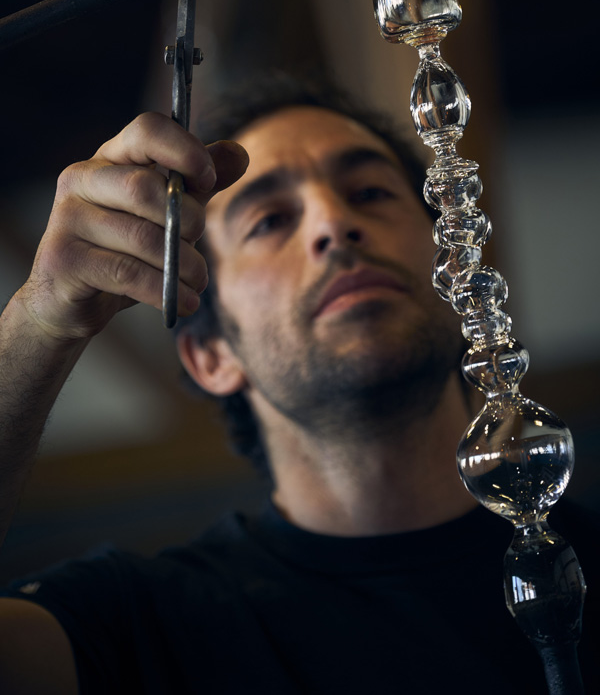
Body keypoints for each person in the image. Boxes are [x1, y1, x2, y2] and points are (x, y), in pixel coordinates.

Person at [0, 75, 597, 694]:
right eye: (270, 219)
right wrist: (40, 322)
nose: (334, 224)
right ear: (211, 356)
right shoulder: (137, 630)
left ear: (457, 276)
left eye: (369, 191)